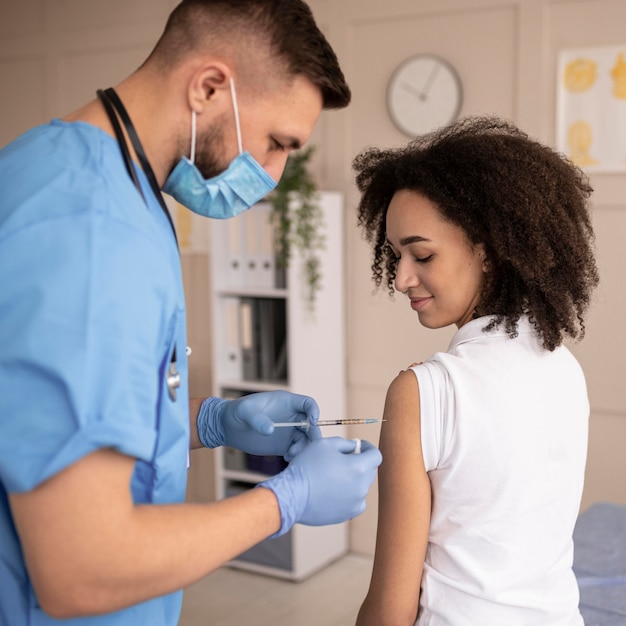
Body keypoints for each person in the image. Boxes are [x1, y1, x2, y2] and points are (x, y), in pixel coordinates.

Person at [0, 1, 382, 624]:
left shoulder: (95, 181)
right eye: (278, 143)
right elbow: (81, 568)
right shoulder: (93, 234)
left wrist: (211, 421)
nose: (278, 174)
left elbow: (52, 410)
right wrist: (285, 501)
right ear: (209, 87)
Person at [353, 116, 599, 625]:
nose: (400, 278)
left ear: (487, 250)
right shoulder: (565, 368)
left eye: (421, 254)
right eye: (394, 255)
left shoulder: (424, 392)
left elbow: (389, 611)